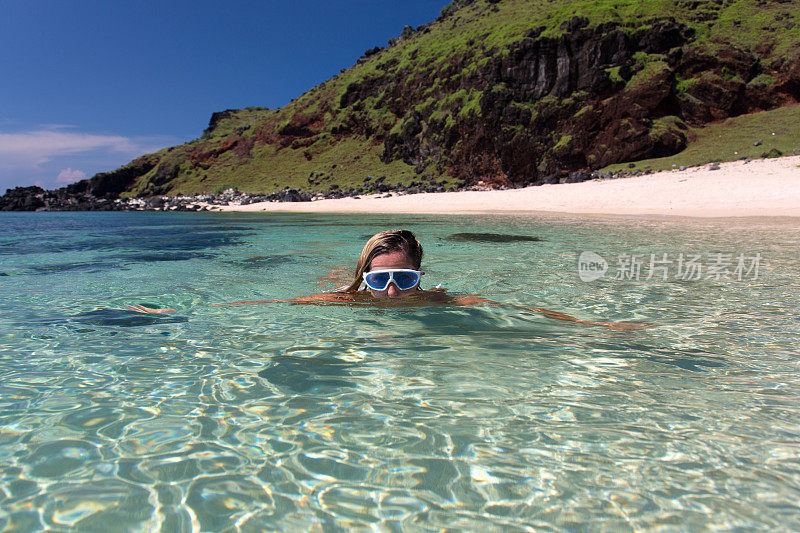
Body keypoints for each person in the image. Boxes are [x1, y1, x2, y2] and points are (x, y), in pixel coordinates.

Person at [128, 229, 646, 330]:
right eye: (378, 281)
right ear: (364, 281)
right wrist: (183, 313)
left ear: (419, 274)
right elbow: (271, 303)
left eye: (401, 277)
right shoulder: (349, 301)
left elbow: (516, 309)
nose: (393, 291)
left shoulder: (436, 299)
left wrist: (592, 324)